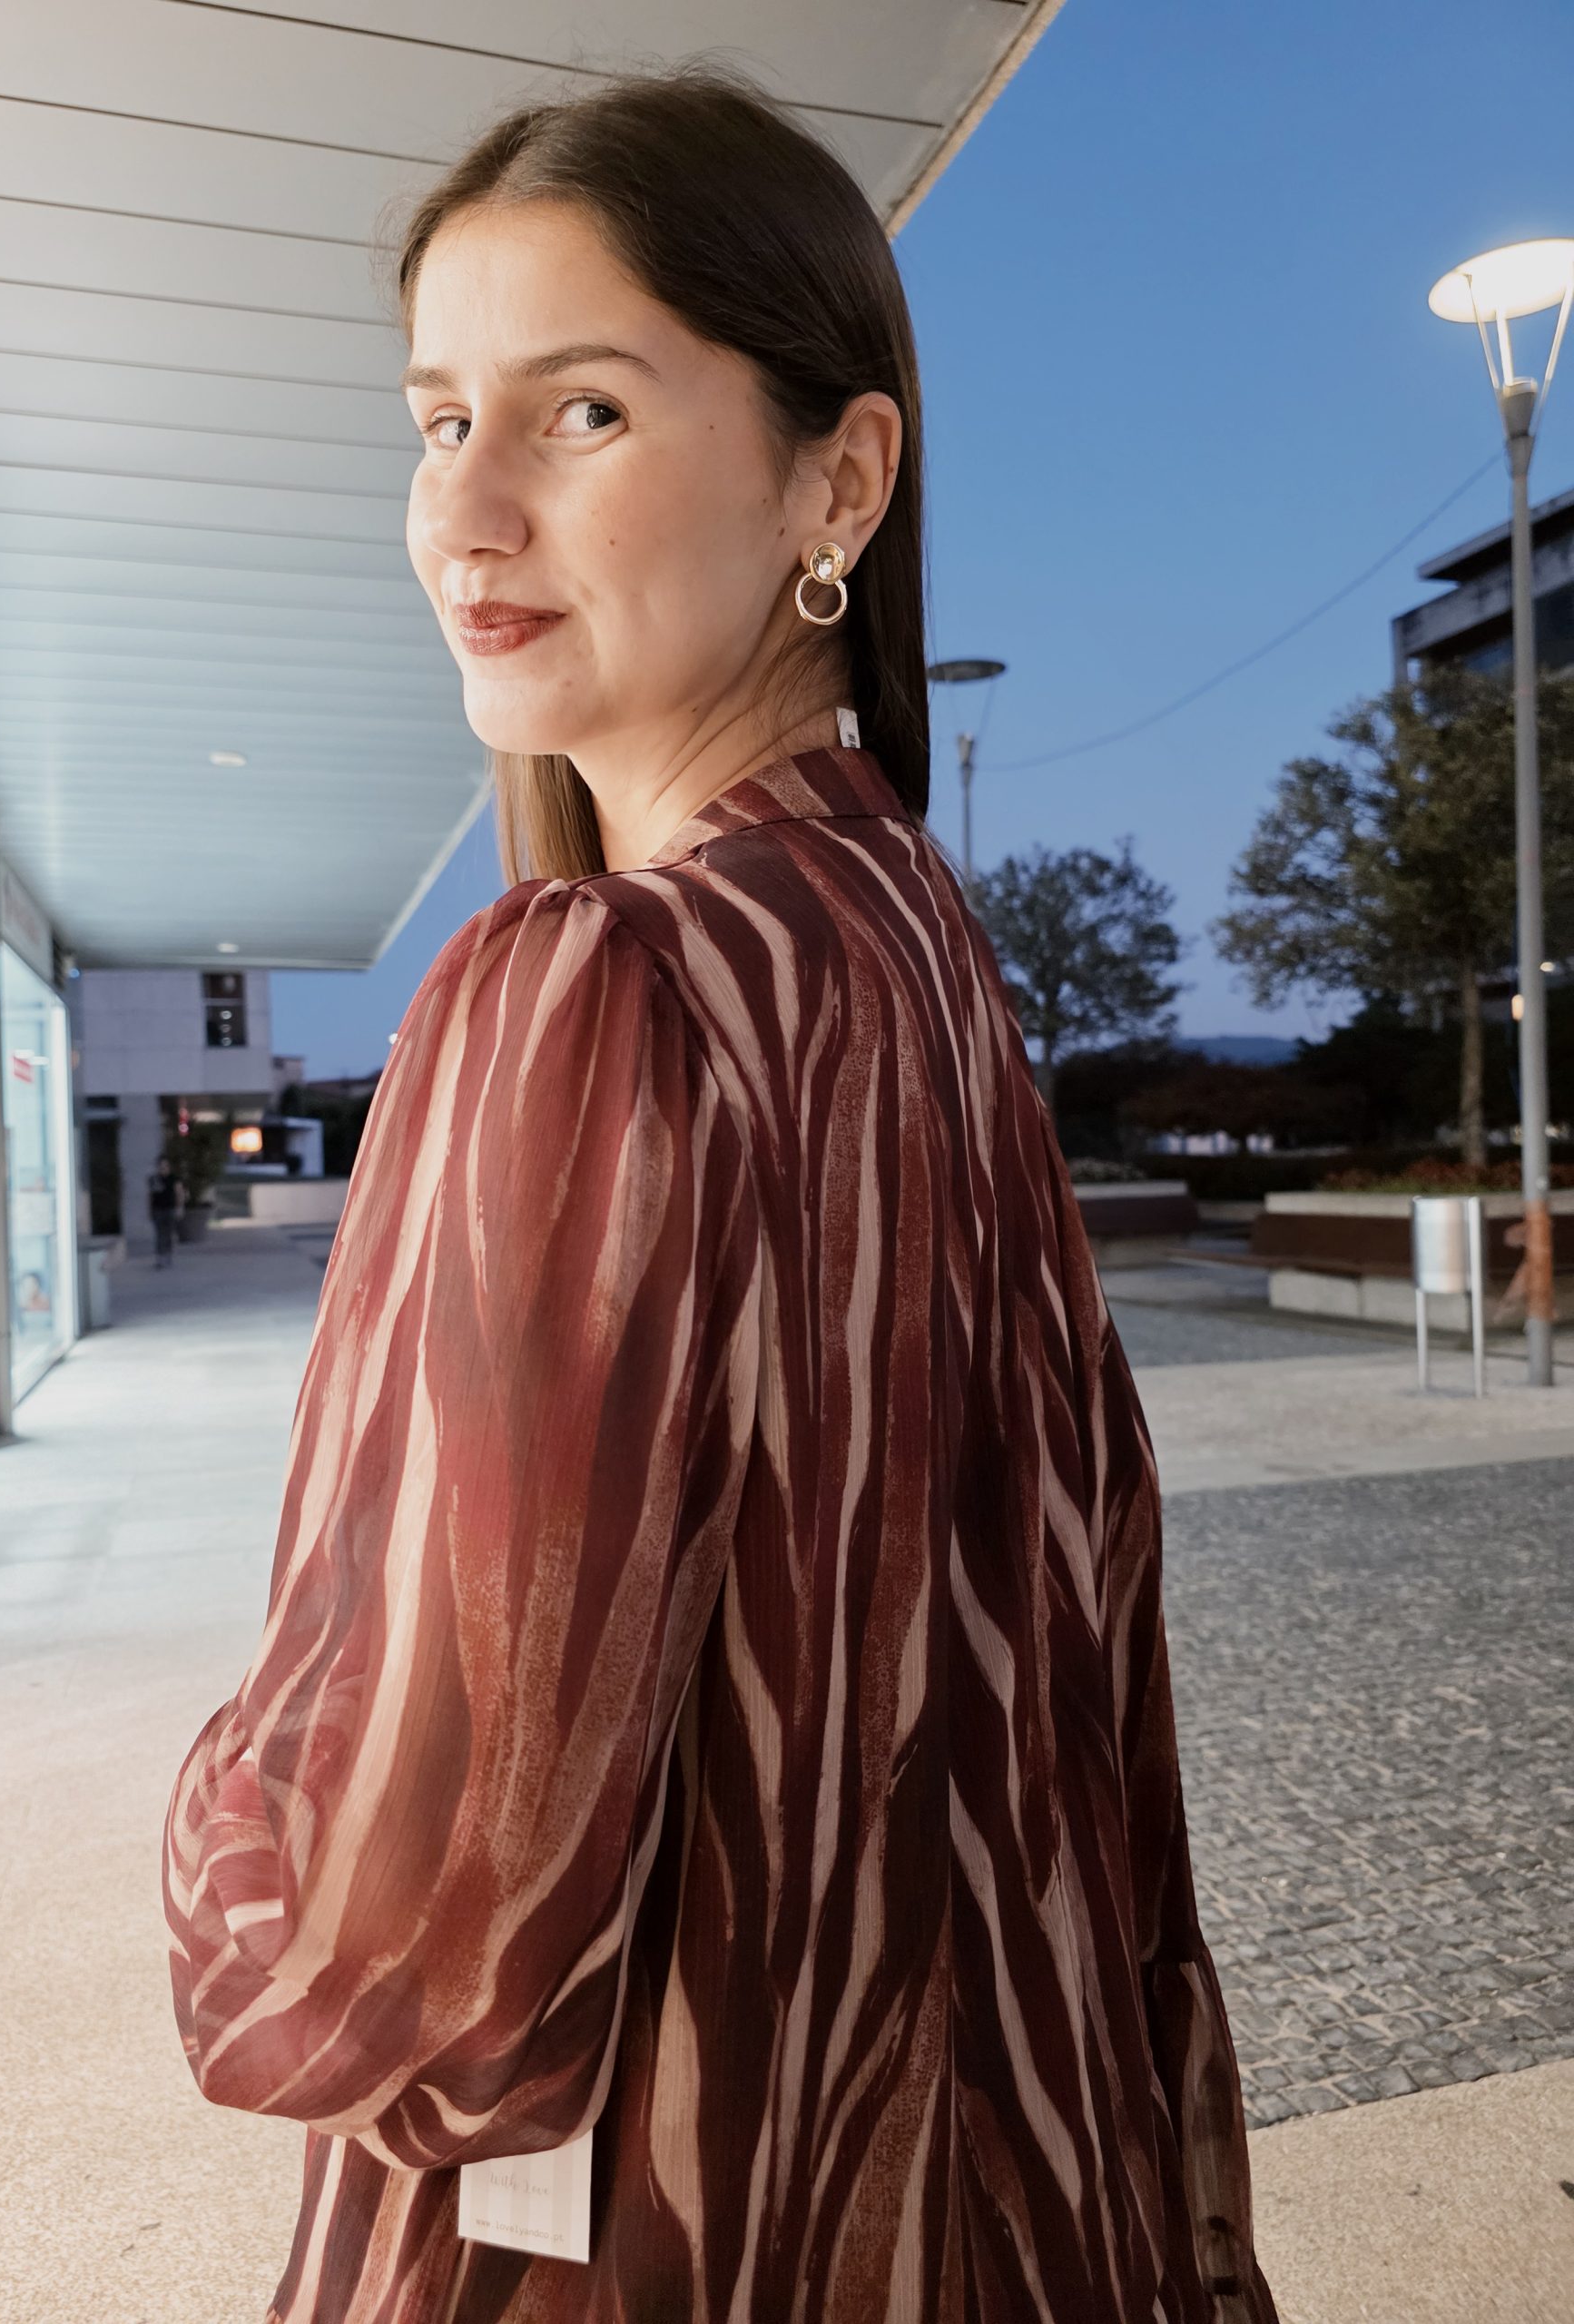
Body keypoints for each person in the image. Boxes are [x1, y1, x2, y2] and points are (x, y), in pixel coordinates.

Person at [162, 64, 1279, 2324]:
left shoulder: (596, 991)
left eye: (577, 412)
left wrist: (219, 1847)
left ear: (836, 479)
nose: (465, 511)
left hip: (670, 2224)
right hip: (999, 2203)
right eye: (436, 419)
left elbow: (421, 1942)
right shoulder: (915, 948)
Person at [146, 1156, 183, 1268]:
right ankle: (160, 1258)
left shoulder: (174, 1179)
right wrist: (149, 1210)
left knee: (169, 1234)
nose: (163, 1168)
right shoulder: (154, 1179)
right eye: (161, 1166)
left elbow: (179, 1193)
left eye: (165, 1166)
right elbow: (150, 1196)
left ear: (168, 1166)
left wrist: (179, 1208)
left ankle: (168, 1256)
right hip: (158, 1210)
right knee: (159, 1235)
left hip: (170, 1209)